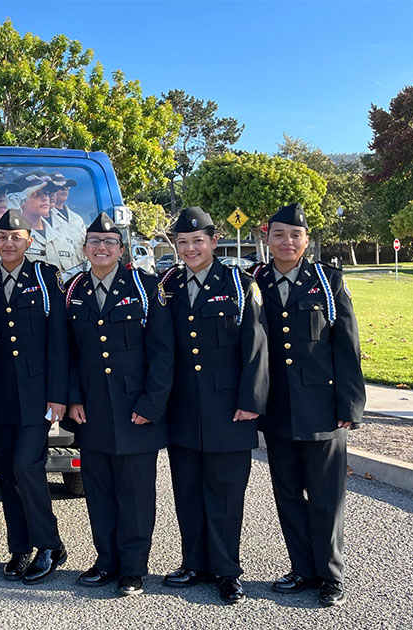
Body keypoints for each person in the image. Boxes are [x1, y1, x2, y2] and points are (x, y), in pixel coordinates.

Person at [251, 203, 365, 607]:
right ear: (267, 237)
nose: (286, 242)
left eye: (294, 235)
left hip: (322, 407)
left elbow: (347, 345)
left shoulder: (327, 281)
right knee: (287, 494)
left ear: (306, 239)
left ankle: (330, 575)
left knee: (326, 496)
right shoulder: (255, 280)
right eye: (279, 234)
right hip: (277, 408)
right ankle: (301, 569)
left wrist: (350, 405)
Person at [159, 207, 269, 604]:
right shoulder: (167, 284)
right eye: (183, 242)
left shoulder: (240, 283)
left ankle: (226, 570)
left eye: (197, 241)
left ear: (214, 241)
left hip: (229, 409)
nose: (190, 249)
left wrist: (251, 402)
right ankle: (194, 563)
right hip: (183, 407)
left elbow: (256, 347)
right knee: (187, 491)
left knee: (224, 495)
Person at [64, 212, 173, 596]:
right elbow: (70, 352)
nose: (101, 247)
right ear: (85, 248)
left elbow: (163, 353)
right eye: (94, 241)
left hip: (135, 410)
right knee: (99, 491)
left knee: (136, 494)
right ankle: (105, 560)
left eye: (109, 242)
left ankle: (133, 568)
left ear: (122, 249)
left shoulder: (145, 287)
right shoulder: (73, 288)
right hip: (92, 409)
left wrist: (152, 403)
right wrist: (73, 398)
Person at [0, 209, 68, 584]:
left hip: (38, 396)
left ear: (29, 241)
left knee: (28, 466)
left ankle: (49, 545)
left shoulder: (45, 278)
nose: (8, 243)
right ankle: (19, 547)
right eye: (2, 237)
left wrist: (58, 395)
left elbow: (59, 340)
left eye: (16, 237)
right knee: (8, 473)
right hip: (1, 396)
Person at [45, 172, 88, 277]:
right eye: (60, 187)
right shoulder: (45, 217)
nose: (65, 189)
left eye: (67, 186)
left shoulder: (77, 219)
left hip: (79, 276)